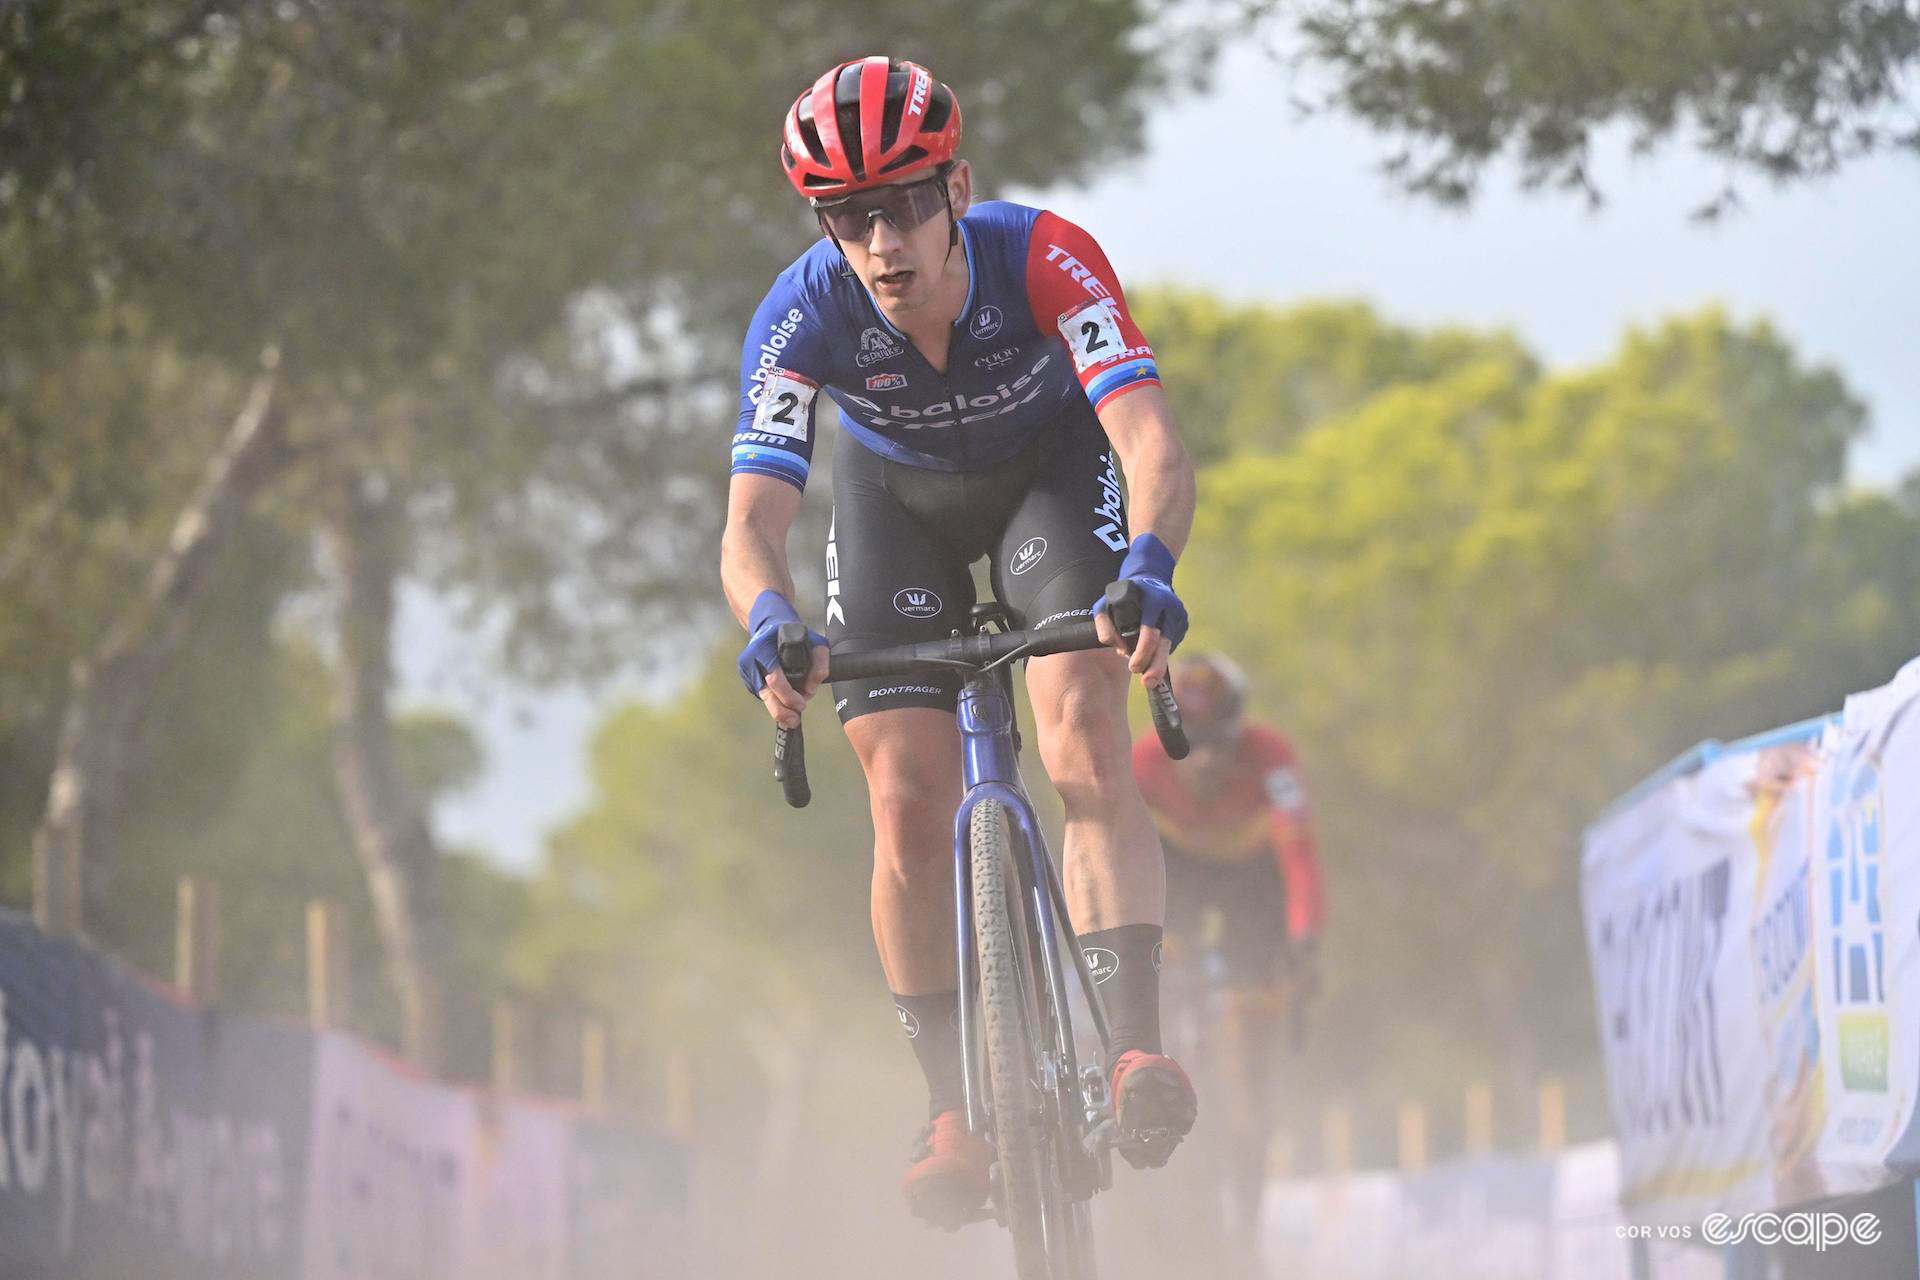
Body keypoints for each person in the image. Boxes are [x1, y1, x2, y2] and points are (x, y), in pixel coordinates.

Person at [720, 56, 1199, 1229]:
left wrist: (1149, 565)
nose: (880, 241)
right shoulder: (800, 312)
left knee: (1083, 727)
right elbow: (751, 522)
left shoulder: (1048, 256)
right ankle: (950, 1110)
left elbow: (1148, 444)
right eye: (848, 216)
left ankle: (1131, 1044)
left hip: (1051, 474)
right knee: (902, 801)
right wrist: (770, 620)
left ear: (958, 189)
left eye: (903, 206)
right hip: (897, 506)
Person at [1131, 651, 1324, 1265]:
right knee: (1153, 969)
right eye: (1192, 746)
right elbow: (1122, 867)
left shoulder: (1272, 757)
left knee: (1252, 1026)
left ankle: (1248, 1149)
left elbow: (1298, 855)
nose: (1208, 761)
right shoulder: (1141, 762)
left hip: (1251, 878)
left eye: (1220, 745)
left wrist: (1305, 937)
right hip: (1177, 873)